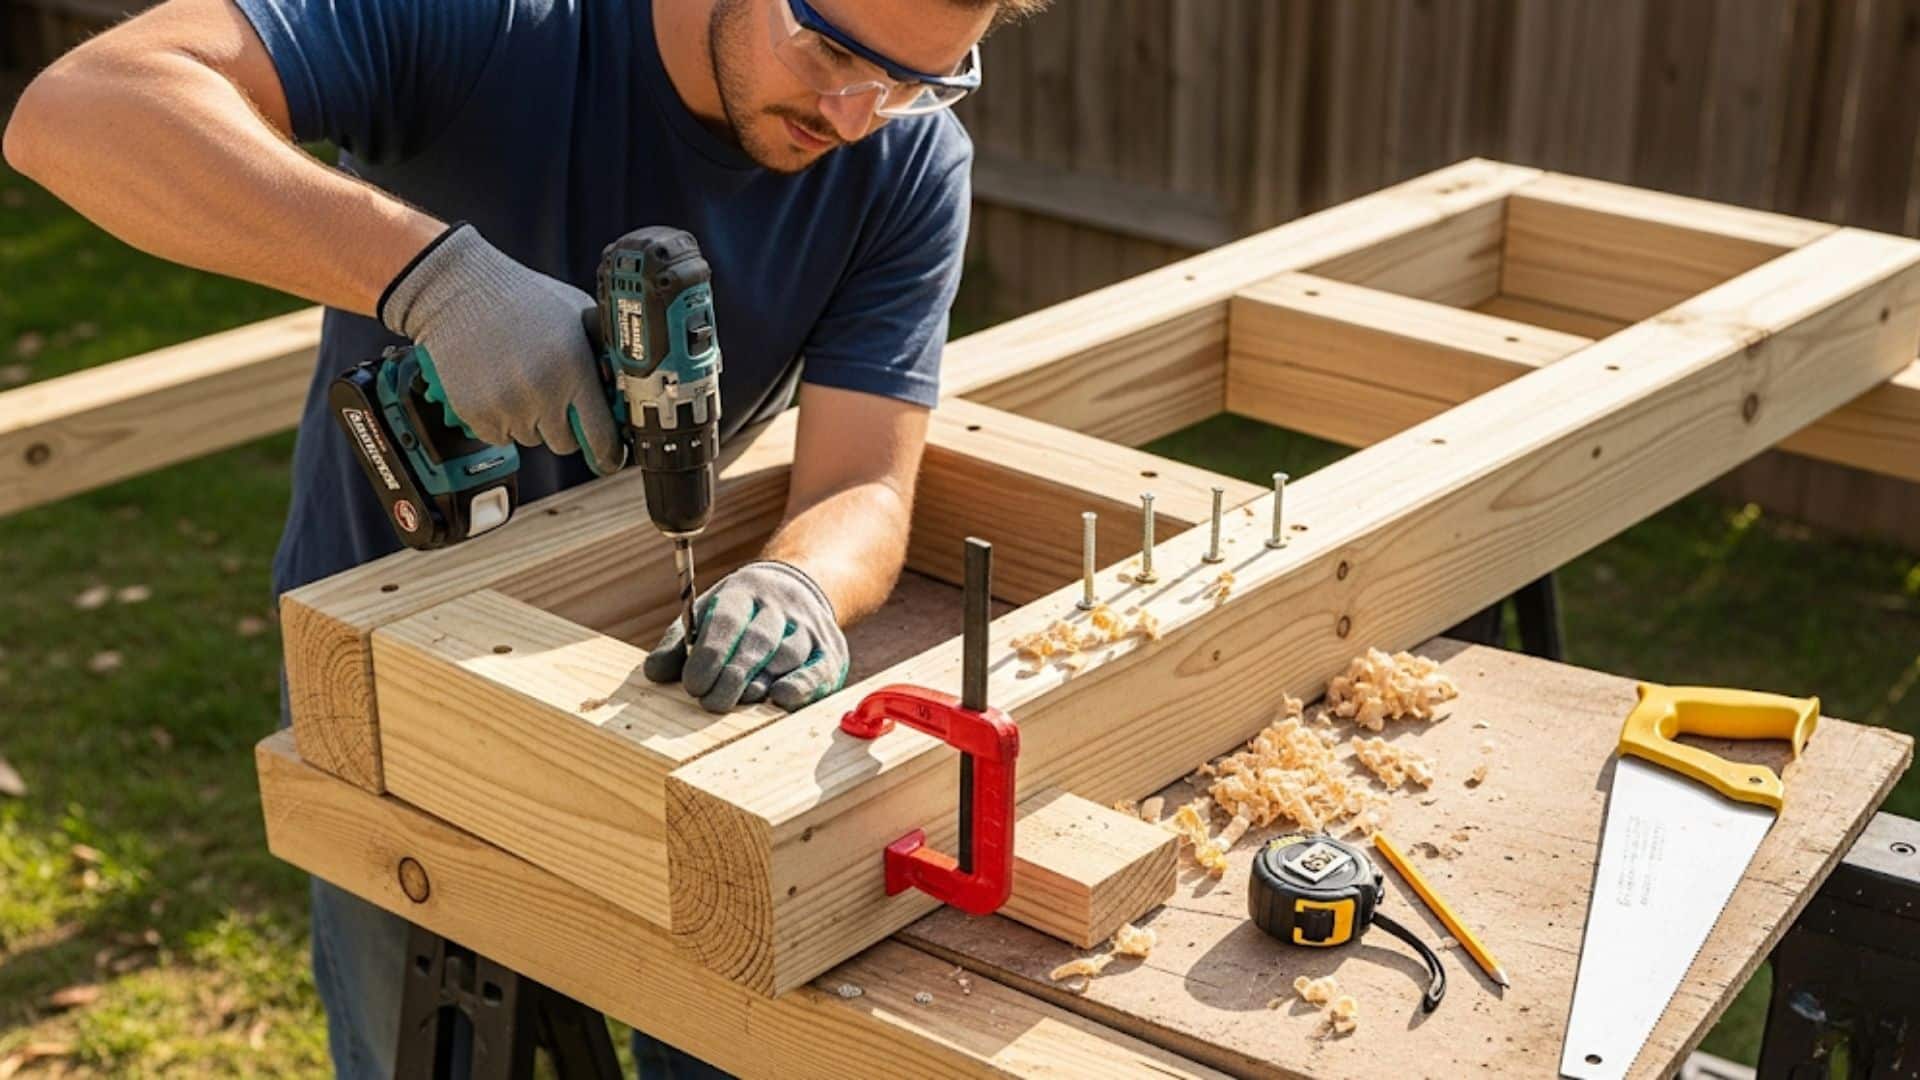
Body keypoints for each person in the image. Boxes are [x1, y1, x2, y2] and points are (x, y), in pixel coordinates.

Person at [4, 0, 1047, 1072]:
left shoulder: (908, 161)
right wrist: (432, 281)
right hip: (397, 670)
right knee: (429, 1046)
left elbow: (862, 474)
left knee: (729, 1031)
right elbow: (80, 108)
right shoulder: (493, 20)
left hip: (668, 695)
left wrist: (801, 583)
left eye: (917, 79)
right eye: (830, 50)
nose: (854, 112)